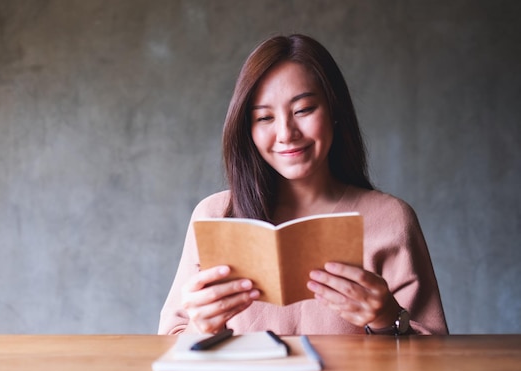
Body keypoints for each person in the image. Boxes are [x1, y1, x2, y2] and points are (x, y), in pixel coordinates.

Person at [158, 34, 448, 336]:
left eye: (303, 110)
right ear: (248, 130)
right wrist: (200, 326)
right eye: (264, 117)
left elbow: (436, 358)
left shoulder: (391, 219)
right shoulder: (215, 215)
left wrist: (388, 319)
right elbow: (168, 344)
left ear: (334, 111)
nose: (286, 133)